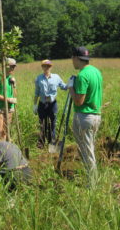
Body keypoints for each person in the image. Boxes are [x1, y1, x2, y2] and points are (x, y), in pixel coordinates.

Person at [68, 46, 103, 188]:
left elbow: (78, 101)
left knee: (87, 151)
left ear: (76, 58)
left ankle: (92, 184)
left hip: (84, 116)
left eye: (72, 59)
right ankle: (90, 179)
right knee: (89, 148)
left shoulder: (82, 75)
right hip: (95, 115)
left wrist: (71, 87)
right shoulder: (96, 71)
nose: (72, 62)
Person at [33, 59, 68, 148]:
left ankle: (52, 142)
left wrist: (70, 84)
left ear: (51, 67)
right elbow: (36, 93)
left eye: (48, 66)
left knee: (52, 124)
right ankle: (41, 143)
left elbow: (64, 87)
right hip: (42, 104)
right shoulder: (38, 78)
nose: (46, 68)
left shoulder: (56, 77)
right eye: (44, 66)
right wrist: (35, 105)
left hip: (52, 104)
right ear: (42, 67)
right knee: (42, 124)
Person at [0, 58, 18, 140]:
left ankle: (5, 149)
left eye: (14, 67)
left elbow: (15, 94)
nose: (12, 69)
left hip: (9, 107)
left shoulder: (11, 79)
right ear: (5, 66)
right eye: (11, 66)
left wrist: (14, 84)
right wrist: (7, 99)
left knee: (6, 131)